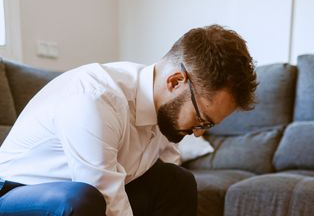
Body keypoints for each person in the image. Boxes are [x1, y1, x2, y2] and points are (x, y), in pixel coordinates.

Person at [0, 24, 257, 216]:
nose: (200, 133)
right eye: (202, 120)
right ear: (176, 82)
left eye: (208, 126)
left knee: (177, 181)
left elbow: (166, 169)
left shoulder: (162, 108)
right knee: (82, 199)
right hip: (16, 191)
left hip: (85, 190)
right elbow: (106, 197)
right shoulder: (96, 99)